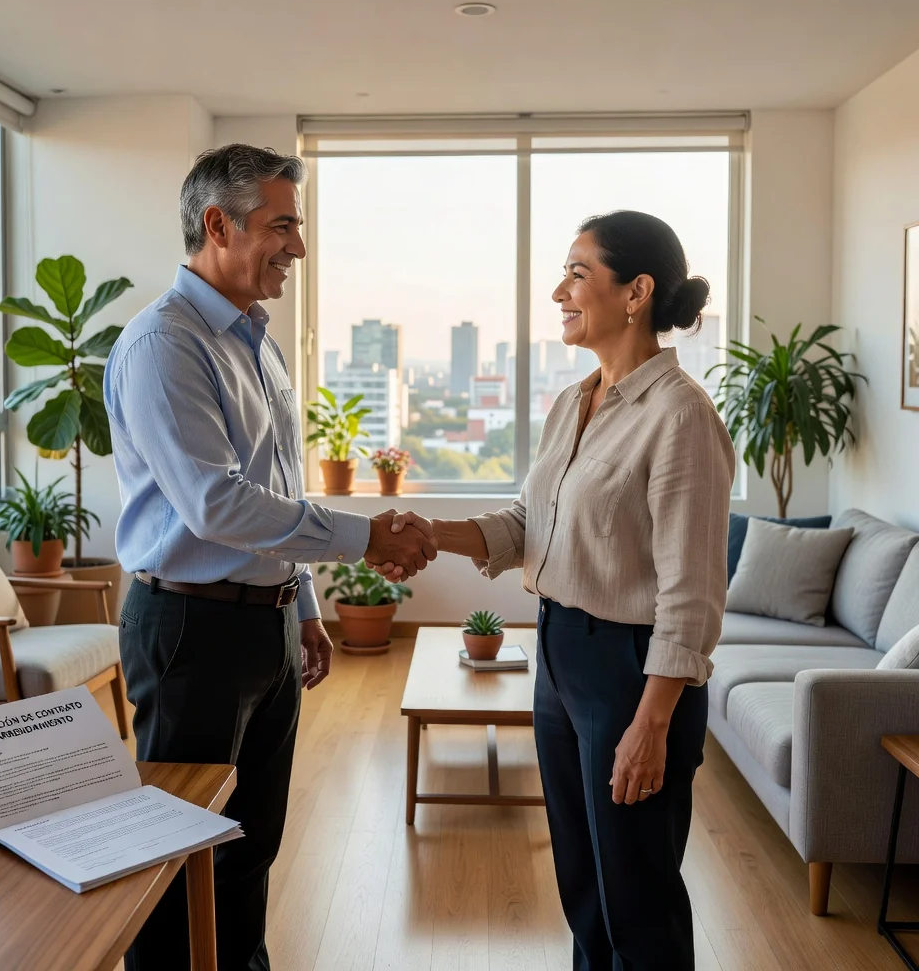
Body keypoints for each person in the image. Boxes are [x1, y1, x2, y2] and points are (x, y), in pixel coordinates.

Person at [103, 143, 436, 971]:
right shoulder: (164, 346)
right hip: (189, 628)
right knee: (179, 857)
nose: (298, 246)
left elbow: (277, 484)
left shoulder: (258, 342)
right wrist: (365, 538)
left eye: (299, 224)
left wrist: (308, 605)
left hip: (267, 626)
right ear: (217, 224)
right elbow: (218, 505)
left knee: (250, 846)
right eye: (281, 225)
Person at [380, 211, 735, 970]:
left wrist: (651, 725)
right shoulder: (573, 403)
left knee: (637, 895)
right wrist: (427, 532)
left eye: (577, 273)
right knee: (583, 884)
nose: (558, 292)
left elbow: (694, 596)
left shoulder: (681, 417)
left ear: (636, 292)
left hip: (636, 676)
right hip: (561, 655)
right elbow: (524, 524)